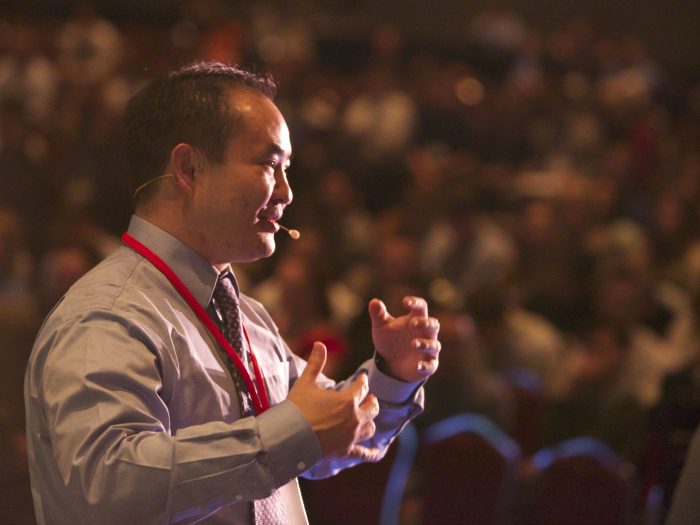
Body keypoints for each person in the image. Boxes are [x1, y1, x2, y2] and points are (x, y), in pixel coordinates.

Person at [24, 62, 440, 525]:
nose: (287, 192)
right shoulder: (109, 315)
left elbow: (331, 431)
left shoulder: (247, 316)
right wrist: (288, 436)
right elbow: (107, 491)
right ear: (189, 168)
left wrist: (391, 376)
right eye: (269, 164)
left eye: (286, 169)